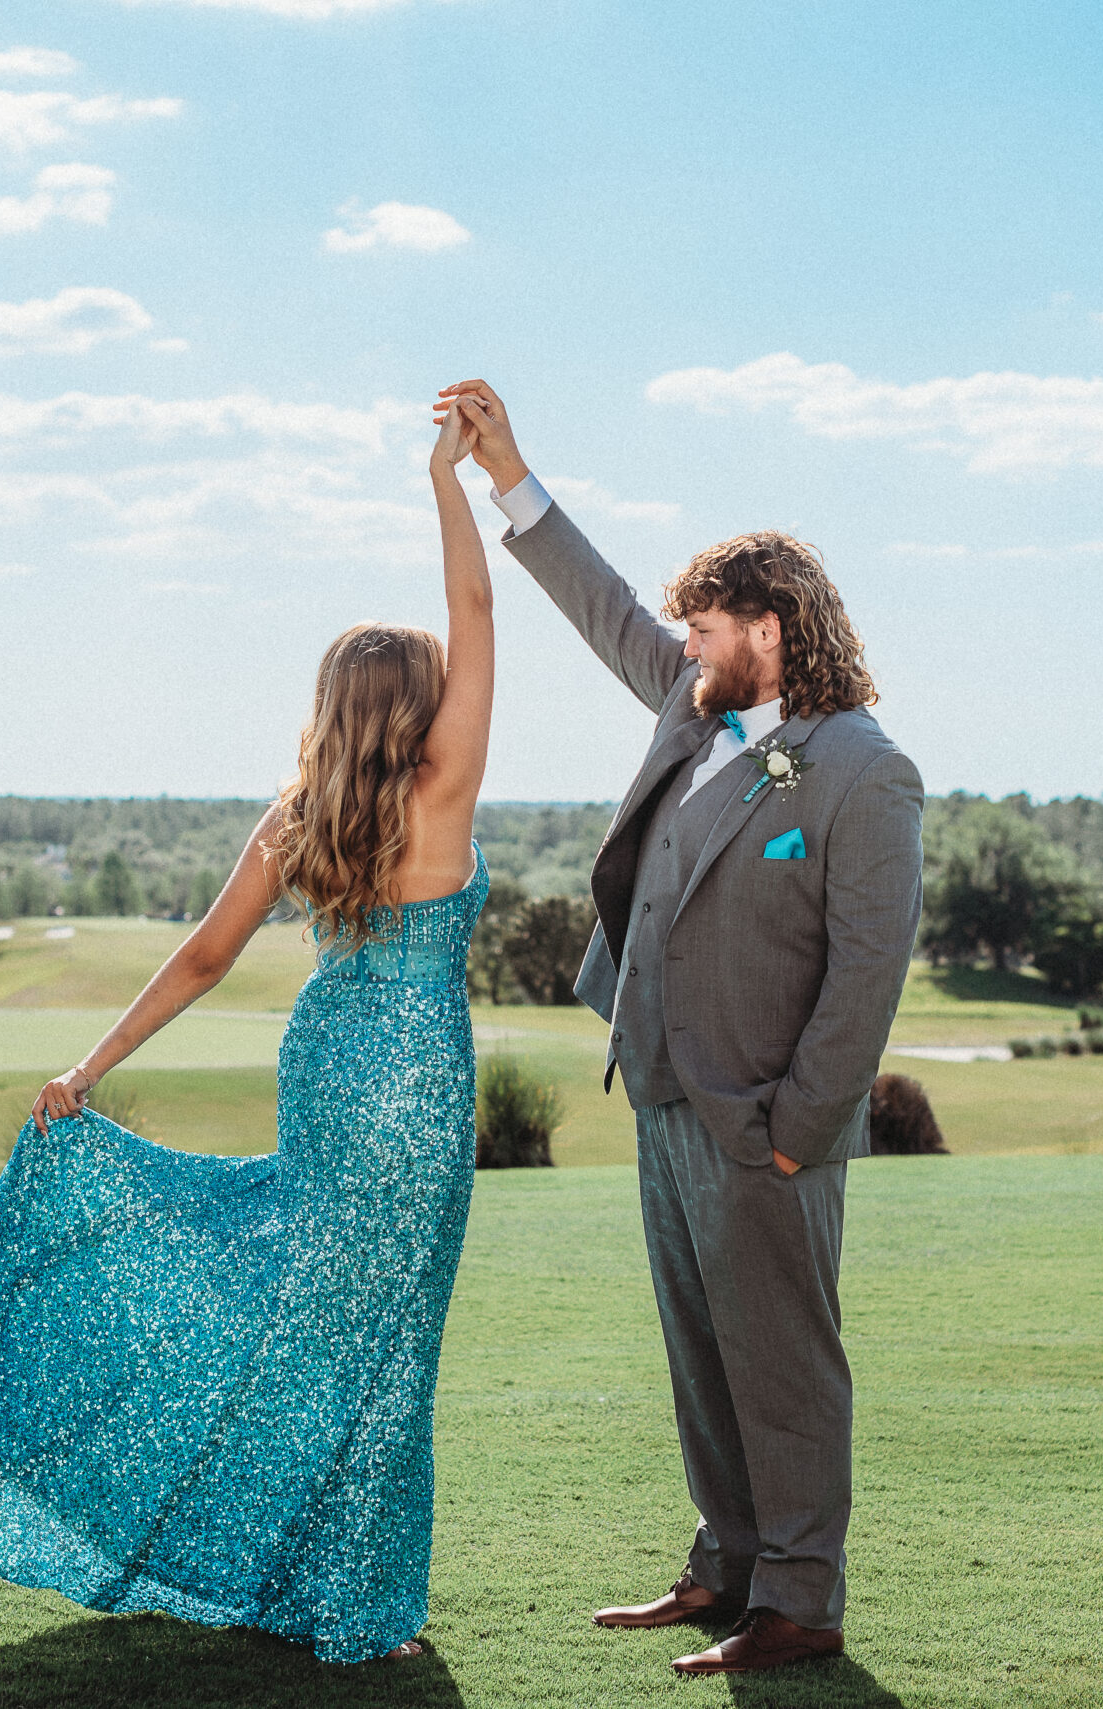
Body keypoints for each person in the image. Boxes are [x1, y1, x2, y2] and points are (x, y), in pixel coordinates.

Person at [0, 398, 495, 1666]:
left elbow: (201, 957)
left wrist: (88, 1067)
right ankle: (365, 1612)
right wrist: (450, 482)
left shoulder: (296, 817)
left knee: (315, 1329)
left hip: (328, 1069)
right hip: (415, 1085)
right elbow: (477, 609)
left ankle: (298, 1574)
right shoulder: (447, 790)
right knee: (390, 1345)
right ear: (420, 705)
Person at [437, 379, 923, 1677]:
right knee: (703, 1351)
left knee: (784, 1364)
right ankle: (729, 1567)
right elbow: (602, 605)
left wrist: (795, 1129)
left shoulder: (864, 768)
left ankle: (801, 1601)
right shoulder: (694, 703)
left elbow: (867, 974)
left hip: (764, 1120)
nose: (684, 642)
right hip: (661, 1090)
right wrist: (507, 474)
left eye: (705, 626)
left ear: (770, 629)